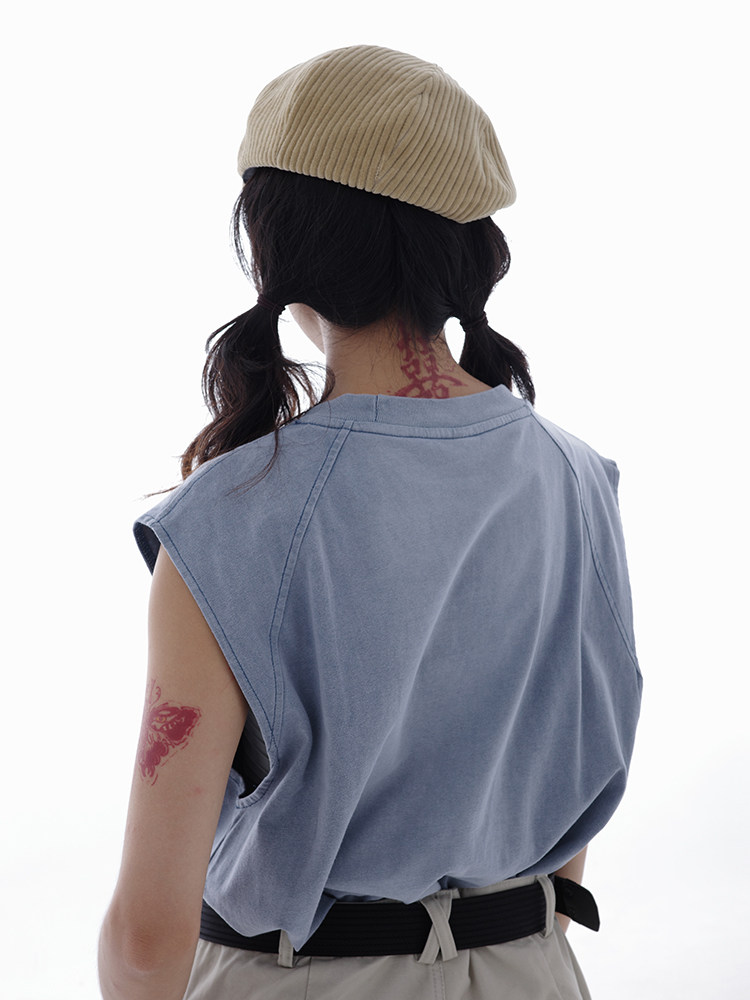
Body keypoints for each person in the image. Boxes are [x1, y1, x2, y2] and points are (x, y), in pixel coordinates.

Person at [98, 44, 642, 1000]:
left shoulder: (228, 520)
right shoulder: (578, 476)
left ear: (276, 242)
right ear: (467, 248)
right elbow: (568, 843)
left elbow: (149, 938)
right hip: (529, 969)